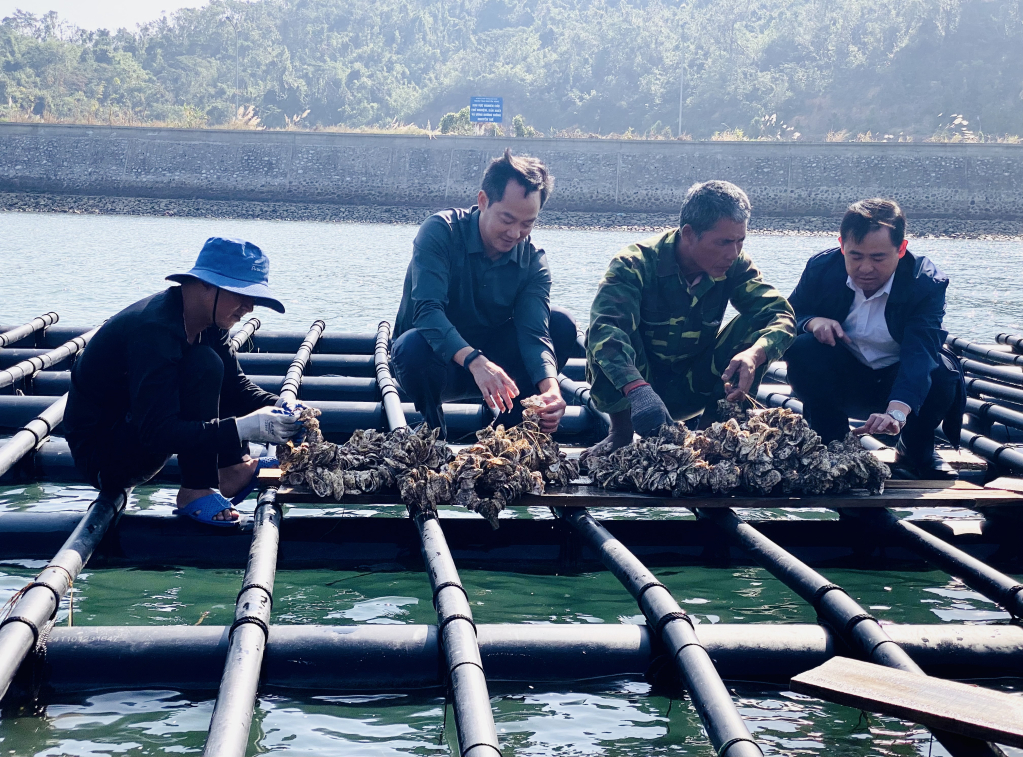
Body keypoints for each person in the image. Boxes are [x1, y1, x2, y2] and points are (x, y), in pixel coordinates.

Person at [63, 237, 300, 526]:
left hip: (143, 431)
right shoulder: (154, 331)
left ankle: (233, 470)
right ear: (205, 285)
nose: (248, 307)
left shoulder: (209, 322)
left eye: (253, 298)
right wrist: (241, 428)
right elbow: (156, 433)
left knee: (210, 363)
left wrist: (283, 405)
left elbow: (236, 388)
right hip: (107, 456)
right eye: (240, 294)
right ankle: (195, 491)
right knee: (204, 363)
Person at [585, 180, 795, 453]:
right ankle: (620, 432)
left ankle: (713, 436)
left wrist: (755, 354)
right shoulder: (634, 264)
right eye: (723, 242)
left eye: (740, 241)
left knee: (755, 327)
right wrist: (638, 390)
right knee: (604, 334)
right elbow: (606, 329)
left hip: (693, 386)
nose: (733, 253)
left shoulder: (735, 265)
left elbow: (782, 315)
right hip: (634, 393)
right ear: (688, 234)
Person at [391, 149, 580, 439]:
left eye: (527, 223)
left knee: (562, 325)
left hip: (500, 374)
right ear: (482, 201)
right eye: (507, 219)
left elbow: (535, 335)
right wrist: (475, 362)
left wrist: (551, 390)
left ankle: (513, 431)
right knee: (411, 346)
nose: (515, 233)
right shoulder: (440, 231)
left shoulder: (533, 262)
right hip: (437, 366)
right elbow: (427, 312)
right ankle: (431, 432)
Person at [785, 198, 965, 479]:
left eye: (878, 258)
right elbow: (786, 316)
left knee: (942, 370)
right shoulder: (821, 268)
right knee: (803, 349)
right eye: (855, 256)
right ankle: (833, 444)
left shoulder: (926, 283)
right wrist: (810, 322)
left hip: (900, 382)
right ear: (842, 245)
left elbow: (921, 352)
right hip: (844, 378)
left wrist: (897, 412)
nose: (865, 268)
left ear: (901, 249)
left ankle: (915, 448)